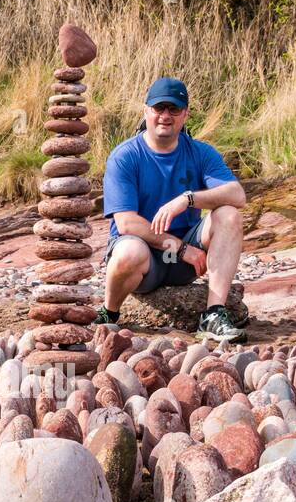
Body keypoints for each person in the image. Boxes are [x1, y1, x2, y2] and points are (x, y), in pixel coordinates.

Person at [97, 77, 248, 342]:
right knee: (129, 250)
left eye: (174, 109)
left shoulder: (201, 153)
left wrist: (187, 199)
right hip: (145, 259)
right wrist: (181, 248)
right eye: (159, 108)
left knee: (229, 215)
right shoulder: (124, 156)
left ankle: (213, 314)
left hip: (184, 263)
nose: (165, 116)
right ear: (146, 111)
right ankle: (109, 313)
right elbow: (126, 224)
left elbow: (237, 195)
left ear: (185, 114)